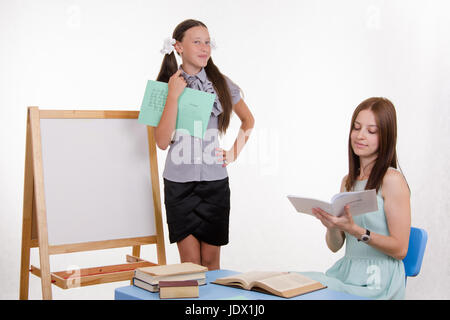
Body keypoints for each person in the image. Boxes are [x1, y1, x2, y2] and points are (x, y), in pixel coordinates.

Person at [154, 19, 254, 271]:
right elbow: (162, 142)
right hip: (179, 185)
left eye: (207, 42)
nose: (204, 48)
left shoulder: (221, 83)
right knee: (190, 266)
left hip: (215, 184)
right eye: (196, 41)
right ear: (178, 47)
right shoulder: (164, 86)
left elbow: (248, 120)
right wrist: (174, 96)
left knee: (211, 264)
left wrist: (232, 153)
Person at [299, 97, 411, 299]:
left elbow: (401, 249)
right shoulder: (347, 181)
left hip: (378, 279)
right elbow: (335, 247)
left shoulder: (392, 180)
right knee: (293, 281)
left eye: (371, 131)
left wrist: (358, 231)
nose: (360, 136)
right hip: (347, 273)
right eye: (356, 128)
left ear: (386, 136)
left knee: (307, 289)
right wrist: (332, 225)